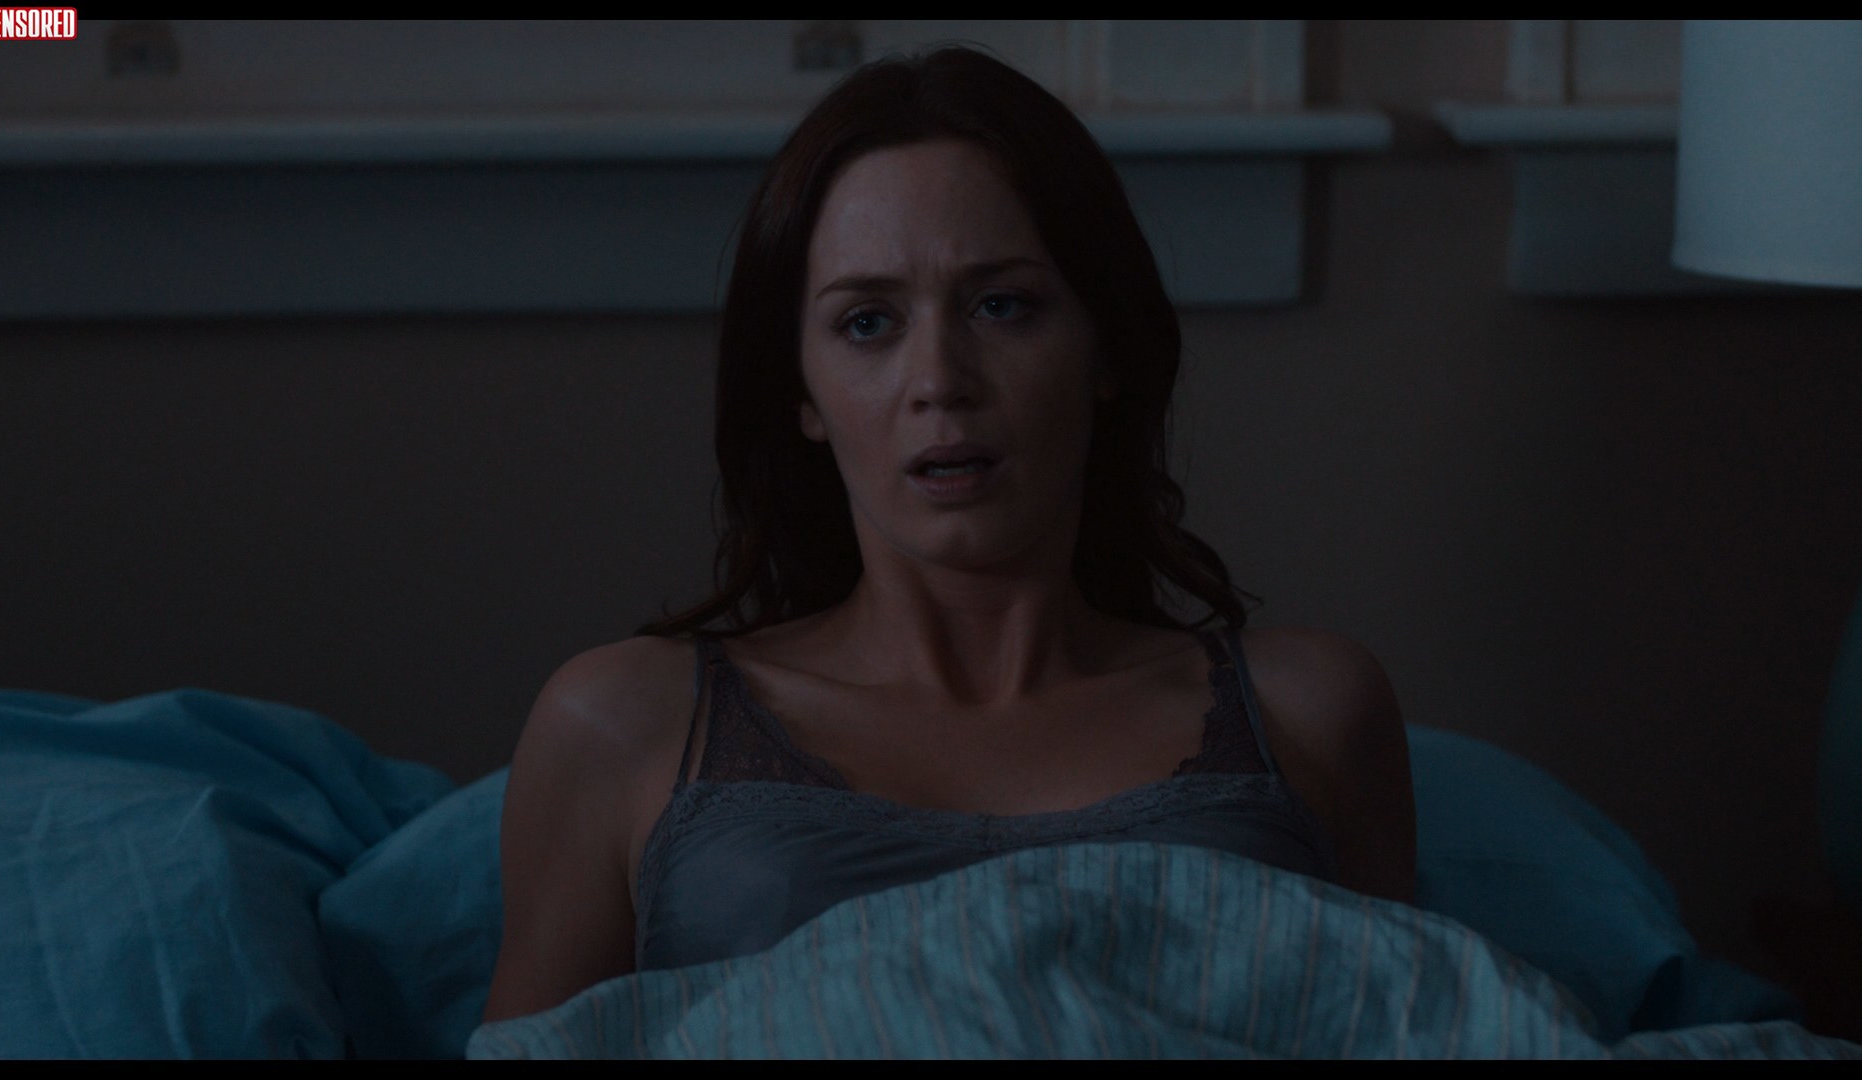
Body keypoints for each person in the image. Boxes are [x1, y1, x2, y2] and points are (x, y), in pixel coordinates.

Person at [481, 45, 1415, 1025]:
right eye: (868, 323)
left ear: (1105, 346)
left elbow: (1431, 1021)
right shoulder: (624, 726)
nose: (939, 379)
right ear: (801, 392)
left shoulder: (1310, 713)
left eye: (1001, 306)